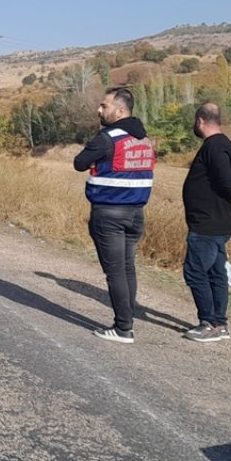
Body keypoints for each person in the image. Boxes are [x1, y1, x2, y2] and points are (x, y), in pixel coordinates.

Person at [73, 87, 156, 344]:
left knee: (115, 272)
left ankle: (123, 328)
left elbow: (79, 163)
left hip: (109, 213)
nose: (99, 110)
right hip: (136, 214)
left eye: (104, 106)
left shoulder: (107, 138)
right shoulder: (144, 139)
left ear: (120, 110)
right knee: (127, 267)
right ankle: (127, 319)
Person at [182, 103, 231, 343]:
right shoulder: (221, 144)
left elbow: (223, 178)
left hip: (208, 224)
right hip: (215, 222)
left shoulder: (216, 146)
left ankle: (210, 322)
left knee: (195, 271)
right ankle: (219, 323)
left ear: (200, 121)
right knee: (215, 273)